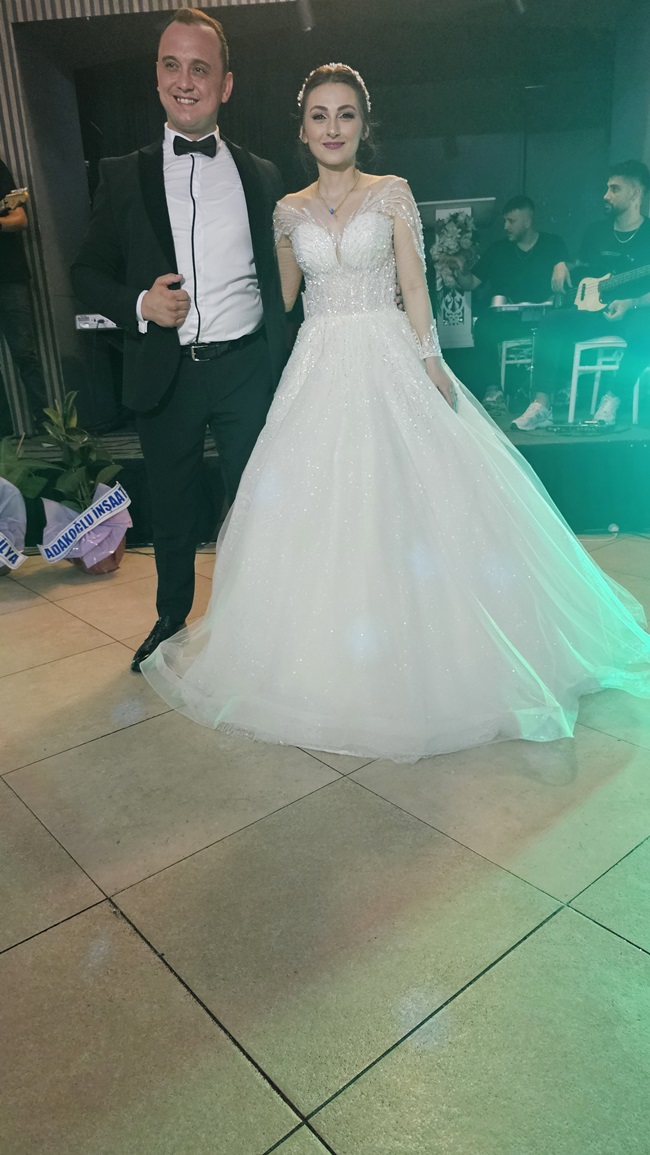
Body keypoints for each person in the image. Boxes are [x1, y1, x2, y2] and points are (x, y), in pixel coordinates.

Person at [141, 64, 650, 763]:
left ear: (363, 125)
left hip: (388, 351)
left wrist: (431, 360)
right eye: (319, 116)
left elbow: (414, 284)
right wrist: (206, 296)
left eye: (345, 115)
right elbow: (279, 297)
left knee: (416, 496)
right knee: (319, 506)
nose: (332, 128)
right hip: (317, 363)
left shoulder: (392, 193)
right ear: (302, 130)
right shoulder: (287, 210)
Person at [71, 8, 287, 671]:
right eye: (172, 65)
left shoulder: (262, 174)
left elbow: (281, 274)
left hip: (247, 368)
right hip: (167, 369)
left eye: (200, 68)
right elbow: (85, 272)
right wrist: (141, 303)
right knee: (171, 509)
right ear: (157, 76)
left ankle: (259, 626)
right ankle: (171, 620)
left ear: (226, 84)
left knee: (257, 504)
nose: (185, 81)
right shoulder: (121, 173)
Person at [512, 161, 650, 431]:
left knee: (646, 329)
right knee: (552, 321)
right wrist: (561, 265)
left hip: (634, 314)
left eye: (614, 189)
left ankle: (613, 398)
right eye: (607, 188)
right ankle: (542, 405)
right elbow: (578, 262)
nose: (606, 195)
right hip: (594, 311)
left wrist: (633, 302)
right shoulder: (596, 231)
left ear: (635, 193)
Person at [438, 196, 566, 406]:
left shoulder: (552, 243)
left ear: (527, 221)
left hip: (545, 317)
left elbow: (566, 267)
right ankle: (493, 389)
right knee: (484, 325)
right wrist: (460, 270)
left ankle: (559, 388)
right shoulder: (498, 250)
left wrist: (561, 266)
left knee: (562, 322)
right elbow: (471, 283)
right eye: (505, 221)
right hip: (511, 320)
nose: (506, 226)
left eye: (511, 221)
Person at [0, 158, 49, 438]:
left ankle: (48, 427)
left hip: (8, 276)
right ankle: (4, 435)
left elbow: (20, 219)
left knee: (25, 354)